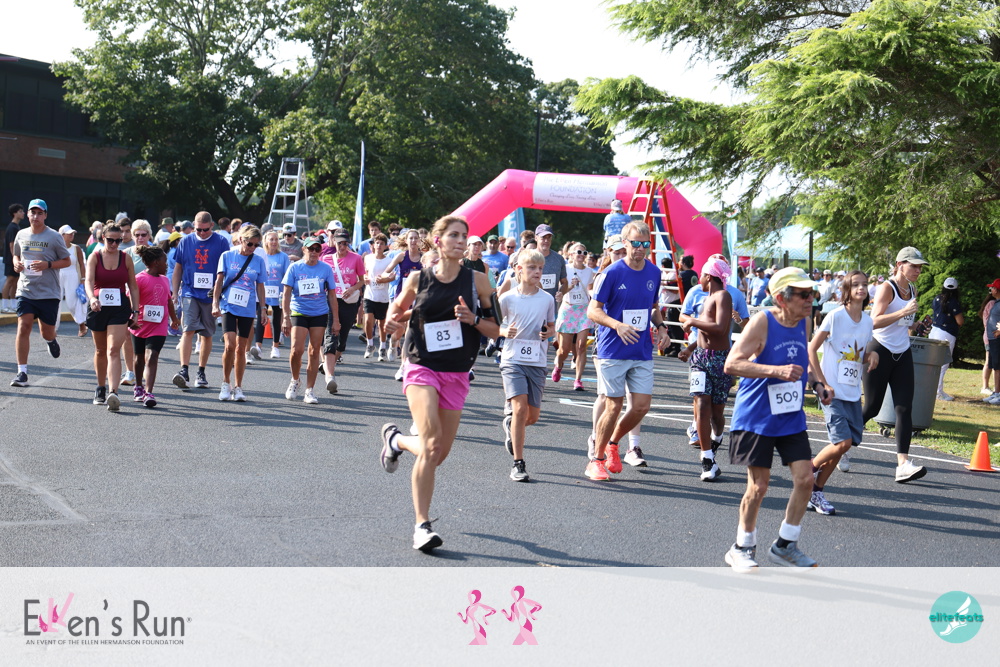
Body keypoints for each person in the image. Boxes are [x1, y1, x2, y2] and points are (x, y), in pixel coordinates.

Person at [378, 215, 499, 553]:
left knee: (438, 454)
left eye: (465, 236)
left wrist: (473, 319)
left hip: (457, 370)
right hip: (421, 365)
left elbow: (496, 329)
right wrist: (391, 323)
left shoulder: (480, 282)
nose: (461, 241)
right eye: (454, 235)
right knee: (431, 445)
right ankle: (422, 526)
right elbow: (395, 311)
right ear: (438, 240)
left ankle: (397, 440)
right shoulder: (418, 279)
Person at [723, 267, 830, 571]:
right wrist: (775, 371)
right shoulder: (763, 322)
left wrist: (818, 384)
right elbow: (732, 364)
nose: (811, 300)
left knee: (806, 480)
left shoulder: (803, 321)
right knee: (759, 486)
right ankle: (741, 547)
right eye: (803, 294)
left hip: (789, 415)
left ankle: (785, 545)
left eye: (812, 294)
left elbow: (803, 358)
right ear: (782, 298)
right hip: (757, 415)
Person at [584, 222, 670, 480]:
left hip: (641, 349)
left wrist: (662, 327)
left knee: (642, 406)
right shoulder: (611, 273)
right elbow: (593, 311)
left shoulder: (654, 272)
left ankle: (613, 444)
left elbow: (653, 308)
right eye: (635, 243)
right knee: (614, 405)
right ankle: (596, 460)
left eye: (645, 244)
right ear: (625, 243)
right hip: (613, 349)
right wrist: (617, 325)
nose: (640, 249)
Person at [805, 270, 878, 514]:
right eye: (856, 285)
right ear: (846, 289)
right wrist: (823, 383)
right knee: (842, 442)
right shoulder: (835, 316)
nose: (861, 288)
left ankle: (816, 492)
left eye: (864, 284)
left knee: (843, 446)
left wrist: (872, 355)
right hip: (832, 392)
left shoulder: (867, 321)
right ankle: (809, 470)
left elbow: (857, 354)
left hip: (852, 393)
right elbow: (812, 349)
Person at [861, 247, 929, 482]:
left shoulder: (912, 289)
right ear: (900, 264)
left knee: (904, 408)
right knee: (872, 407)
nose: (918, 270)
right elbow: (873, 322)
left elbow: (905, 323)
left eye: (920, 267)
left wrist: (917, 325)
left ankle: (903, 464)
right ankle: (841, 444)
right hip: (879, 350)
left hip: (903, 352)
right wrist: (903, 313)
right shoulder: (886, 288)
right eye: (914, 266)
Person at [497, 248, 556, 482]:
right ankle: (518, 464)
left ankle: (511, 424)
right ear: (519, 270)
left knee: (532, 417)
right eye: (532, 268)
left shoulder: (547, 299)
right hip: (512, 359)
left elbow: (551, 326)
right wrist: (504, 331)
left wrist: (548, 333)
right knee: (520, 409)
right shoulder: (507, 298)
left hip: (537, 361)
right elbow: (494, 325)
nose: (537, 272)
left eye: (540, 268)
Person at [681, 257, 734, 481]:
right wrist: (690, 348)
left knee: (717, 414)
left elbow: (720, 328)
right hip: (700, 359)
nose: (699, 279)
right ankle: (707, 459)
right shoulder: (707, 298)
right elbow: (705, 333)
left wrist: (692, 322)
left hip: (720, 360)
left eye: (701, 275)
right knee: (702, 404)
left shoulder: (723, 296)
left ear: (709, 277)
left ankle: (717, 437)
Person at [10, 199, 71, 387]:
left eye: (39, 213)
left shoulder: (54, 237)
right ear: (28, 214)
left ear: (45, 215)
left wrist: (48, 264)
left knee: (47, 331)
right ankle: (22, 372)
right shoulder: (21, 234)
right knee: (24, 326)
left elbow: (67, 261)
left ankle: (51, 340)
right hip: (26, 289)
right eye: (32, 212)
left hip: (48, 292)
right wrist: (16, 263)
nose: (35, 216)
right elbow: (16, 254)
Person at [170, 211, 231, 390]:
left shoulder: (221, 242)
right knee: (188, 330)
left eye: (205, 230)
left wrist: (220, 294)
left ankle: (201, 371)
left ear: (212, 225)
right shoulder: (186, 241)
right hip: (189, 291)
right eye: (198, 230)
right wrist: (175, 293)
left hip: (211, 294)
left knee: (206, 334)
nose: (202, 233)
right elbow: (178, 268)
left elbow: (225, 271)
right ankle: (184, 370)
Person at [85, 221, 140, 411]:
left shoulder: (125, 258)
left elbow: (133, 286)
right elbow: (88, 281)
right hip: (98, 307)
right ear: (103, 238)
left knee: (113, 350)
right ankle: (100, 387)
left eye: (118, 241)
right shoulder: (94, 257)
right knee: (101, 350)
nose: (115, 244)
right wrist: (92, 298)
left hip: (119, 308)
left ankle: (113, 392)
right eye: (111, 240)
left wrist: (135, 311)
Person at [281, 237, 339, 404]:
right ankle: (295, 380)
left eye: (317, 249)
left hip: (319, 313)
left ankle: (309, 390)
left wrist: (336, 320)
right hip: (299, 311)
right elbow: (286, 293)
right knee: (296, 350)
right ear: (304, 249)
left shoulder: (325, 269)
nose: (314, 252)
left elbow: (332, 295)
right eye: (310, 249)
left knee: (314, 352)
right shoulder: (294, 267)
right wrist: (285, 317)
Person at [213, 226, 267, 401]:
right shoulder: (227, 256)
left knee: (241, 348)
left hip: (247, 307)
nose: (252, 248)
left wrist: (263, 309)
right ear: (241, 240)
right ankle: (225, 383)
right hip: (228, 304)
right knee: (229, 345)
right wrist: (215, 303)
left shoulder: (258, 260)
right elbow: (219, 281)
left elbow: (260, 286)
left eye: (256, 245)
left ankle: (238, 387)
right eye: (250, 244)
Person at [130, 245, 179, 408]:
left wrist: (174, 318)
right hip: (140, 324)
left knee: (152, 355)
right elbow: (131, 299)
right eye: (165, 261)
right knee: (139, 358)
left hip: (159, 325)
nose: (167, 265)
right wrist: (131, 317)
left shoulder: (165, 279)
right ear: (156, 262)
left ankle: (148, 392)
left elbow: (168, 300)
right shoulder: (139, 279)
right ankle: (138, 386)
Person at [321, 228, 365, 392]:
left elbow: (362, 280)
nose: (342, 246)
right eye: (340, 243)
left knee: (343, 338)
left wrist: (352, 289)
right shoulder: (326, 259)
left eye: (345, 243)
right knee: (331, 334)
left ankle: (327, 365)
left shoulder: (356, 258)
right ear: (334, 242)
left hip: (349, 302)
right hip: (331, 300)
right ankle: (330, 376)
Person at [552, 242, 594, 390]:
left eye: (584, 253)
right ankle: (558, 365)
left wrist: (594, 296)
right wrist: (570, 285)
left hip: (583, 309)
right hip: (568, 308)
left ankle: (578, 380)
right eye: (578, 252)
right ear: (571, 254)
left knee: (581, 346)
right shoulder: (566, 269)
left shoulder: (589, 271)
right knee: (564, 350)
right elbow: (561, 291)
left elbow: (589, 288)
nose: (582, 255)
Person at [382, 229, 425, 361]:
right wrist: (388, 276)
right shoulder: (401, 256)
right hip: (403, 294)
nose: (413, 241)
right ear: (406, 241)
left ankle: (405, 360)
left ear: (419, 241)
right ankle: (393, 343)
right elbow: (386, 271)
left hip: (418, 295)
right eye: (410, 238)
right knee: (400, 328)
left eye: (415, 238)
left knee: (411, 328)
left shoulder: (424, 257)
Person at [928, 277, 964, 401]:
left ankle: (930, 388)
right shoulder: (953, 302)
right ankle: (938, 392)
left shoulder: (937, 298)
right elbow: (960, 321)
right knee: (943, 364)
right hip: (946, 333)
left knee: (932, 362)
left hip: (934, 331)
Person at [257, 230, 290, 359]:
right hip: (263, 291)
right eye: (271, 239)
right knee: (261, 318)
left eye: (276, 239)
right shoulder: (261, 256)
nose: (274, 242)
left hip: (278, 292)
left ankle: (275, 347)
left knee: (277, 319)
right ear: (265, 241)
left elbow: (287, 275)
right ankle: (258, 347)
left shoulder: (283, 257)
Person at [362, 233, 393, 360]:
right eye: (377, 243)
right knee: (368, 321)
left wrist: (384, 280)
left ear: (386, 246)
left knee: (381, 324)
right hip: (369, 294)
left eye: (382, 243)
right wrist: (364, 277)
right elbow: (365, 272)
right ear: (373, 245)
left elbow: (393, 277)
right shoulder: (368, 258)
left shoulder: (389, 261)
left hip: (383, 296)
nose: (379, 245)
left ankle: (382, 347)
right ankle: (370, 344)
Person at [56, 225, 88, 337]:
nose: (72, 235)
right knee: (55, 301)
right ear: (62, 235)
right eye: (69, 233)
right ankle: (53, 328)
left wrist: (83, 279)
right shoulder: (56, 247)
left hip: (72, 275)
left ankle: (81, 323)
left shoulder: (76, 248)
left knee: (72, 303)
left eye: (72, 233)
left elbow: (82, 264)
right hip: (58, 275)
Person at [533, 225, 568, 304]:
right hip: (531, 304)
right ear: (536, 238)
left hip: (551, 306)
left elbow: (564, 282)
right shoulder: (528, 257)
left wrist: (561, 293)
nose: (546, 241)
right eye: (543, 237)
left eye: (549, 237)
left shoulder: (559, 259)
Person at [3, 203, 25, 313]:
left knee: (15, 281)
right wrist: (15, 259)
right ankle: (4, 306)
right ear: (14, 213)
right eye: (20, 211)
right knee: (10, 280)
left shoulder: (17, 227)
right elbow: (12, 245)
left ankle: (13, 305)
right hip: (11, 260)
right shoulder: (12, 227)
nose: (23, 213)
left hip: (15, 260)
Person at [983, 279, 1000, 404]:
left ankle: (998, 394)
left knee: (998, 367)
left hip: (997, 339)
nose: (991, 290)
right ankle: (996, 392)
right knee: (995, 367)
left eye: (993, 288)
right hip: (992, 339)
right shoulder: (996, 303)